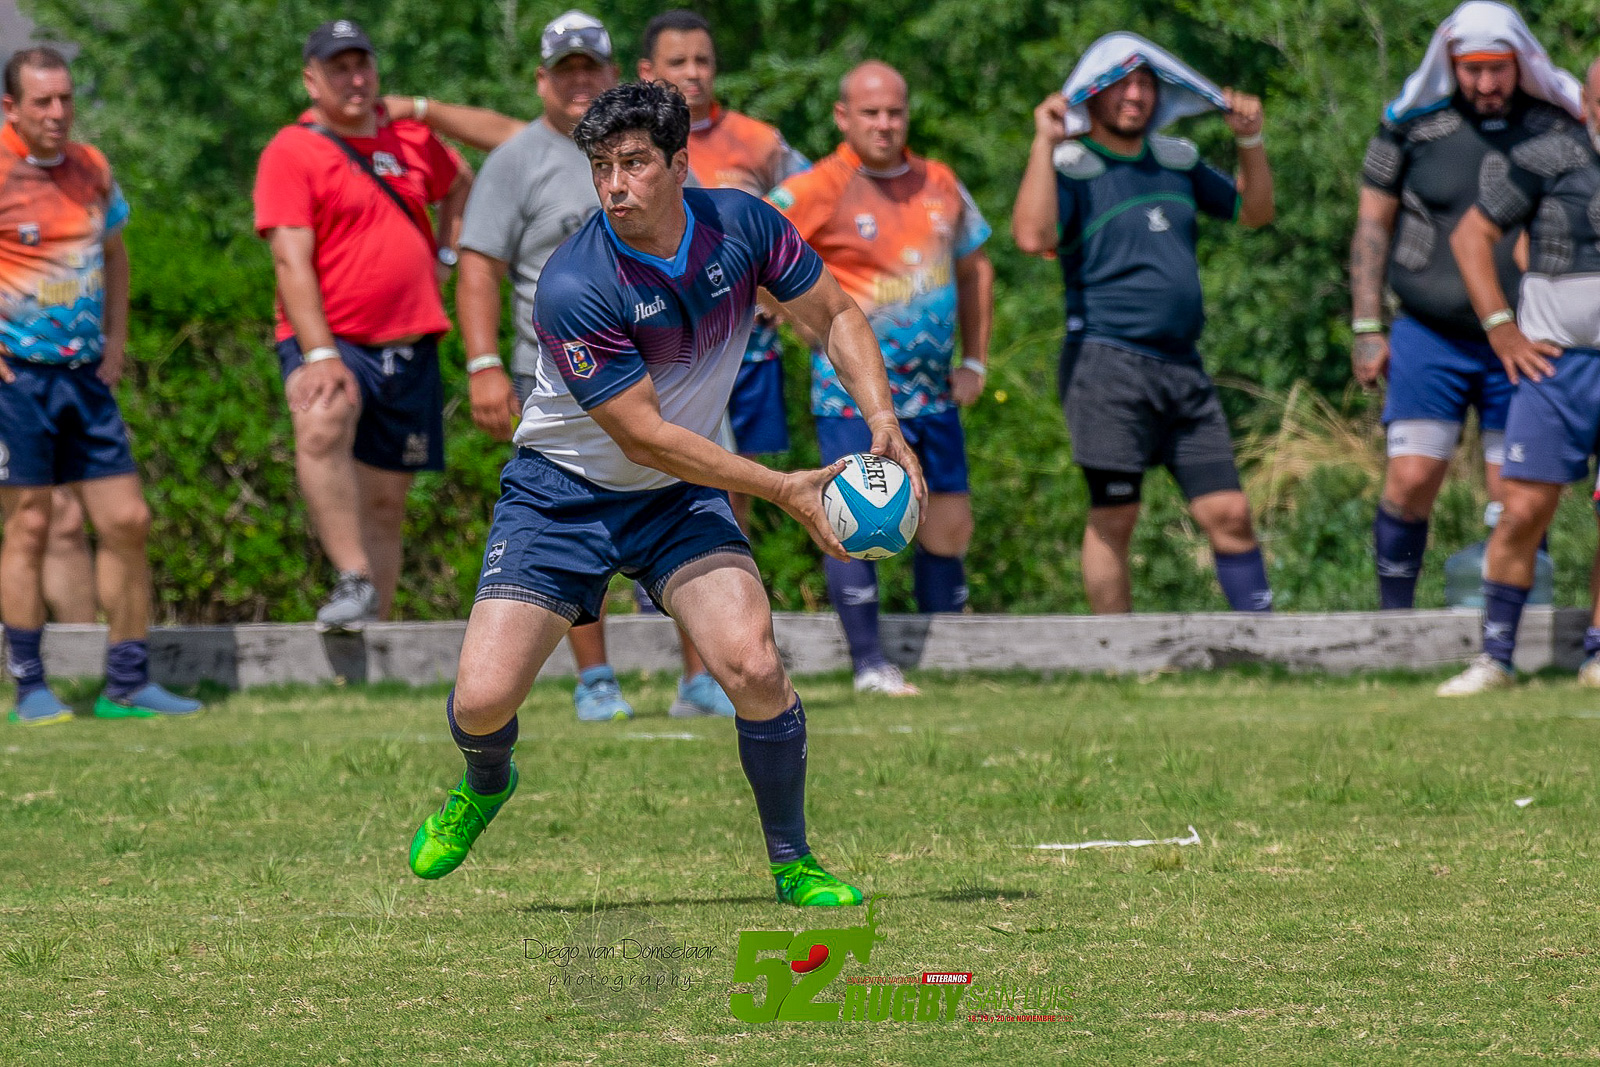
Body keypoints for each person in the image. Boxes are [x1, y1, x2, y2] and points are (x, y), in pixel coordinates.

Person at [407, 81, 924, 907]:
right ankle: (487, 779)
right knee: (480, 699)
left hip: (675, 497)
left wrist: (882, 416)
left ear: (681, 163)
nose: (615, 184)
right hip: (561, 494)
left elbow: (835, 316)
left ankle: (793, 863)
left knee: (754, 664)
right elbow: (642, 433)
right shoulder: (577, 284)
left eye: (635, 163)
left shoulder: (744, 227)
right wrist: (786, 487)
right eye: (602, 166)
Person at [387, 11, 737, 721]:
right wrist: (484, 363)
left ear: (616, 74)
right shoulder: (516, 157)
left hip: (678, 366)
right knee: (583, 520)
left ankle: (703, 677)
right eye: (566, 69)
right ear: (543, 79)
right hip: (557, 372)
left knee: (704, 505)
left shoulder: (657, 149)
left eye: (592, 68)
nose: (580, 80)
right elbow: (480, 265)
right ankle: (596, 677)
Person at [1012, 32, 1275, 615]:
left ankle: (1265, 645)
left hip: (1183, 365)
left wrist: (1250, 140)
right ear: (1093, 94)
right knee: (1115, 515)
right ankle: (1117, 654)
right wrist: (1043, 140)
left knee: (1228, 512)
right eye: (1121, 84)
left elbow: (1255, 212)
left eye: (1146, 83)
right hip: (1105, 365)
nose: (1135, 95)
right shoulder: (1072, 167)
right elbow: (1032, 237)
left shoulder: (1176, 160)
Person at [768, 60, 993, 697]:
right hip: (853, 395)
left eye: (895, 111)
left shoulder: (941, 182)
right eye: (871, 113)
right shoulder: (817, 186)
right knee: (859, 522)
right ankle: (869, 663)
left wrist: (974, 361)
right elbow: (751, 249)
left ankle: (946, 650)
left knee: (946, 526)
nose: (885, 124)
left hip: (934, 393)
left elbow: (976, 269)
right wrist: (801, 322)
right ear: (844, 117)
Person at [1353, 1, 1582, 610]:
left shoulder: (1557, 128)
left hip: (1527, 339)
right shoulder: (1409, 126)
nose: (1485, 84)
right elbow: (1372, 224)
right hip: (1430, 333)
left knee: (1518, 491)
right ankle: (1392, 621)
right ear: (1451, 64)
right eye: (1472, 69)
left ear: (1520, 64)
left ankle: (1514, 629)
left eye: (1498, 69)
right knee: (1411, 477)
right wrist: (1367, 325)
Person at [0, 46, 201, 723]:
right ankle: (30, 686)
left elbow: (115, 254)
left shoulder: (92, 169)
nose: (57, 113)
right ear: (11, 107)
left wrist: (116, 339)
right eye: (42, 102)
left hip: (87, 378)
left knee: (127, 520)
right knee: (29, 525)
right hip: (17, 379)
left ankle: (127, 681)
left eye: (65, 100)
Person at [252, 19, 471, 633]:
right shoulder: (292, 150)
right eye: (338, 67)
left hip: (410, 339)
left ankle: (374, 631)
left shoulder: (410, 139)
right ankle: (351, 577)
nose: (354, 78)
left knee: (387, 501)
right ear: (310, 78)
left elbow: (462, 184)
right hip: (334, 340)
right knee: (321, 422)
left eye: (362, 65)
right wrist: (319, 354)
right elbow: (290, 259)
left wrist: (445, 258)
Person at [1436, 57, 1600, 695]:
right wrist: (1501, 326)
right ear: (1586, 102)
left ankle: (1596, 655)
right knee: (1524, 509)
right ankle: (1495, 657)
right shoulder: (1548, 157)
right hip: (1555, 366)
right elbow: (1470, 238)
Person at [637, 9, 810, 527]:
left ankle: (725, 592)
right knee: (665, 474)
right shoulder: (633, 146)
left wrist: (785, 288)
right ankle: (658, 601)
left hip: (749, 348)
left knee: (739, 482)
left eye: (703, 61)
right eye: (678, 61)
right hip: (665, 346)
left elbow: (817, 203)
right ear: (648, 70)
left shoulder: (758, 140)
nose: (693, 73)